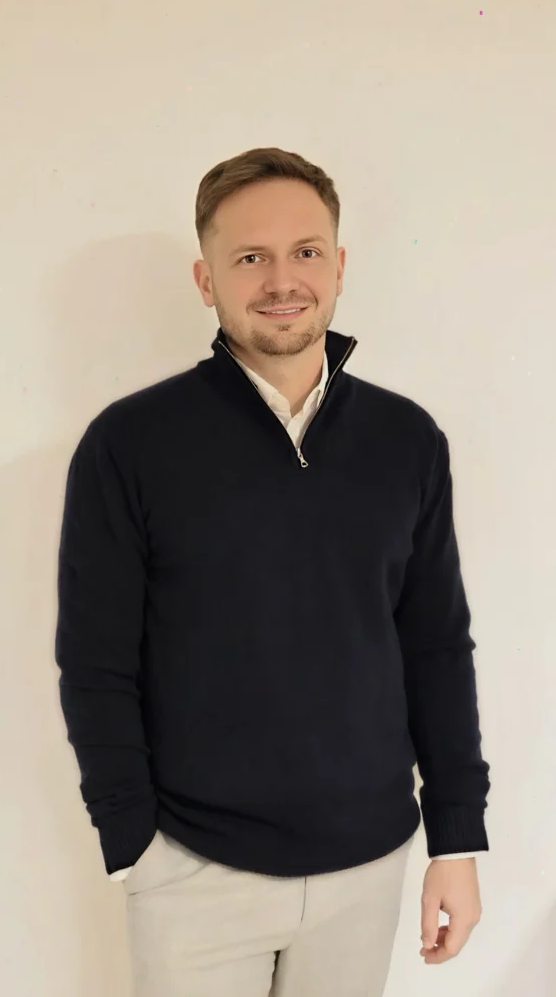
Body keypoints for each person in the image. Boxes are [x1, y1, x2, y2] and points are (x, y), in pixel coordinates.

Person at [54, 146, 490, 996]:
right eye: (250, 257)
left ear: (338, 265)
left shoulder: (405, 440)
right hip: (193, 871)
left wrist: (456, 838)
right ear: (205, 279)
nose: (282, 280)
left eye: (305, 251)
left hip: (367, 867)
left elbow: (435, 645)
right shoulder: (130, 444)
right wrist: (131, 845)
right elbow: (96, 661)